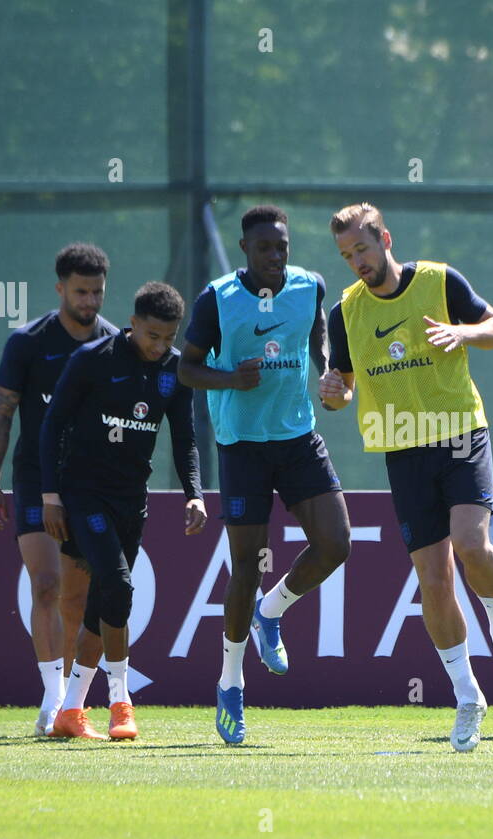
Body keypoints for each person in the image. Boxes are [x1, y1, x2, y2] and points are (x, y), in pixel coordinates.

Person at [319, 202, 493, 753]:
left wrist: (463, 333)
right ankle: (468, 697)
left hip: (459, 432)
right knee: (433, 580)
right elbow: (341, 384)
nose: (356, 262)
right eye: (346, 256)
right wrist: (336, 394)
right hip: (403, 449)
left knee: (470, 543)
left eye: (362, 249)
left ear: (385, 238)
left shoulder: (438, 280)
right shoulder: (346, 311)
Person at [179, 205, 351, 745]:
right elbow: (185, 368)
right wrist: (230, 379)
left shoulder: (311, 287)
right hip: (242, 448)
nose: (276, 257)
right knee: (246, 568)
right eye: (265, 249)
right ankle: (231, 682)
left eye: (282, 247)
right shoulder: (217, 298)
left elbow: (318, 336)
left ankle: (270, 614)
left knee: (336, 544)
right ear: (245, 250)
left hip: (298, 438)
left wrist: (327, 371)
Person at [41, 282, 206, 740]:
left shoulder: (175, 372)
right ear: (132, 324)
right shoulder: (93, 360)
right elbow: (52, 425)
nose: (159, 347)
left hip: (132, 498)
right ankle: (121, 703)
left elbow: (185, 438)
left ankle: (71, 712)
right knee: (116, 582)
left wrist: (194, 491)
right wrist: (50, 495)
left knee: (107, 600)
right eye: (152, 336)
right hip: (84, 493)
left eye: (168, 338)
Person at [0, 244, 114, 736]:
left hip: (87, 486)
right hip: (37, 481)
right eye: (80, 291)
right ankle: (52, 697)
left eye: (97, 291)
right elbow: (2, 412)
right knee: (45, 585)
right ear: (60, 289)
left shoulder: (112, 344)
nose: (90, 300)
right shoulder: (28, 343)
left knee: (78, 601)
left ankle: (74, 706)